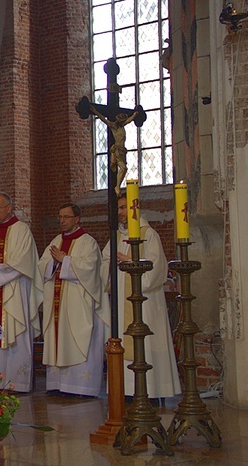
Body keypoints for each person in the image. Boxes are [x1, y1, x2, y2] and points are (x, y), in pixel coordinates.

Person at [100, 193, 181, 399]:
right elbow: (104, 264)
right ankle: (125, 391)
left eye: (124, 207)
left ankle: (151, 391)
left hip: (146, 304)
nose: (120, 212)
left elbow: (157, 269)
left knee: (145, 341)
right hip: (122, 299)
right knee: (122, 339)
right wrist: (109, 267)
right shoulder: (115, 237)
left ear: (136, 209)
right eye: (118, 208)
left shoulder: (149, 234)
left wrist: (132, 261)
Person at [0, 193, 42, 393]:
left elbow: (23, 260)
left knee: (14, 330)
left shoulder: (21, 230)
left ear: (9, 208)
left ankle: (16, 382)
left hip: (14, 290)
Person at [37, 203, 107, 397]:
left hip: (77, 302)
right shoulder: (56, 240)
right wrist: (53, 261)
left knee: (77, 337)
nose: (62, 220)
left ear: (77, 219)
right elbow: (41, 266)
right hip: (57, 302)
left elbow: (91, 269)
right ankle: (57, 384)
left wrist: (65, 259)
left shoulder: (88, 242)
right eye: (60, 217)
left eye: (66, 217)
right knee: (57, 338)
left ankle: (80, 387)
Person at [90, 105, 140, 196]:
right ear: (118, 120)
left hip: (122, 150)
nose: (124, 122)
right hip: (117, 149)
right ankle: (117, 187)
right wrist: (95, 111)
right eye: (122, 121)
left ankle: (113, 163)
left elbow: (129, 120)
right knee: (123, 168)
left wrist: (135, 114)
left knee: (123, 169)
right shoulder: (113, 126)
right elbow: (103, 119)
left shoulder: (122, 126)